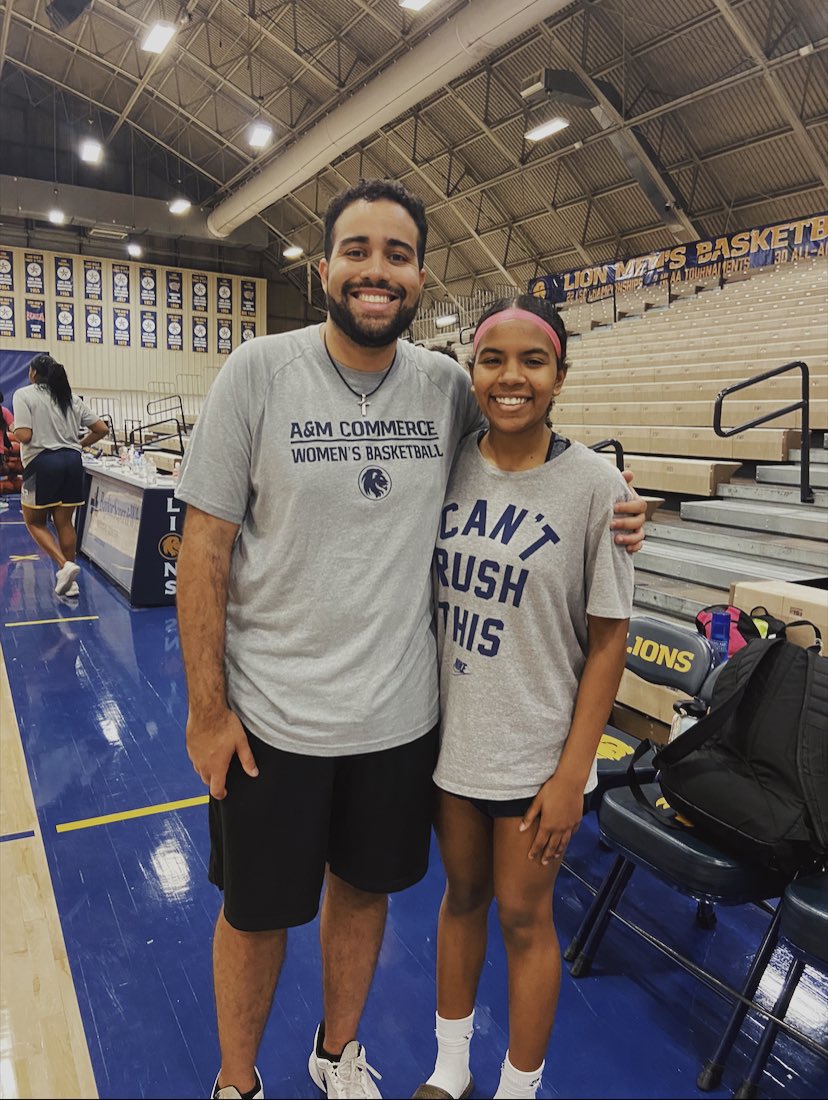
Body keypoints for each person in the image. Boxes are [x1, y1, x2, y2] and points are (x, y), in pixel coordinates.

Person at [174, 179, 646, 1100]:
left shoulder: (443, 386)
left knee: (363, 895)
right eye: (357, 251)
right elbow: (203, 550)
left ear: (421, 277)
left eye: (395, 254)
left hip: (400, 723)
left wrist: (619, 506)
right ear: (323, 271)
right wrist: (207, 711)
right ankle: (237, 1084)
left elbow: (532, 436)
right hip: (272, 719)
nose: (375, 271)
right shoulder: (257, 373)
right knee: (256, 914)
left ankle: (337, 1053)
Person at [413, 297, 634, 1100]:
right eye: (493, 360)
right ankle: (447, 1067)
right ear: (472, 373)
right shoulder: (448, 462)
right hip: (450, 743)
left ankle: (519, 1086)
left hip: (536, 752)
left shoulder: (597, 487)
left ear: (560, 377)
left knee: (523, 918)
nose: (511, 378)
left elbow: (608, 638)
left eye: (532, 361)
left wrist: (572, 775)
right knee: (461, 898)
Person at [10, 354, 108, 596]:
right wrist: (80, 444)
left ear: (33, 373)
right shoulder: (70, 397)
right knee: (64, 523)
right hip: (73, 462)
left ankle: (65, 566)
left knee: (34, 522)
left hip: (42, 464)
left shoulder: (24, 394)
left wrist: (12, 427)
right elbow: (102, 429)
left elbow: (24, 435)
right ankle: (70, 583)